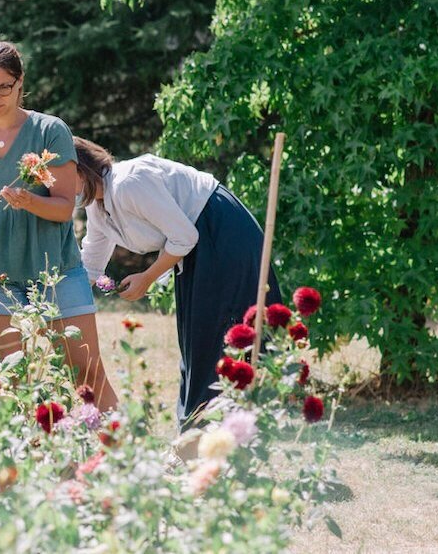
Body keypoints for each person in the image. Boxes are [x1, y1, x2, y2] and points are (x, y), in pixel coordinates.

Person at [0, 41, 117, 411]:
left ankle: (126, 451)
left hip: (54, 270)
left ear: (20, 82)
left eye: (3, 87)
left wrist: (29, 200)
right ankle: (27, 461)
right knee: (7, 378)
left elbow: (63, 209)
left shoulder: (50, 131)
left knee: (85, 373)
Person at [74, 137, 282, 428]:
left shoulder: (128, 183)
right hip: (197, 245)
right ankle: (198, 432)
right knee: (197, 337)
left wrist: (146, 278)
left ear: (81, 168)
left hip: (220, 228)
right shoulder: (98, 207)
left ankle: (227, 426)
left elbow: (185, 236)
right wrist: (59, 298)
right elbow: (91, 263)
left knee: (220, 330)